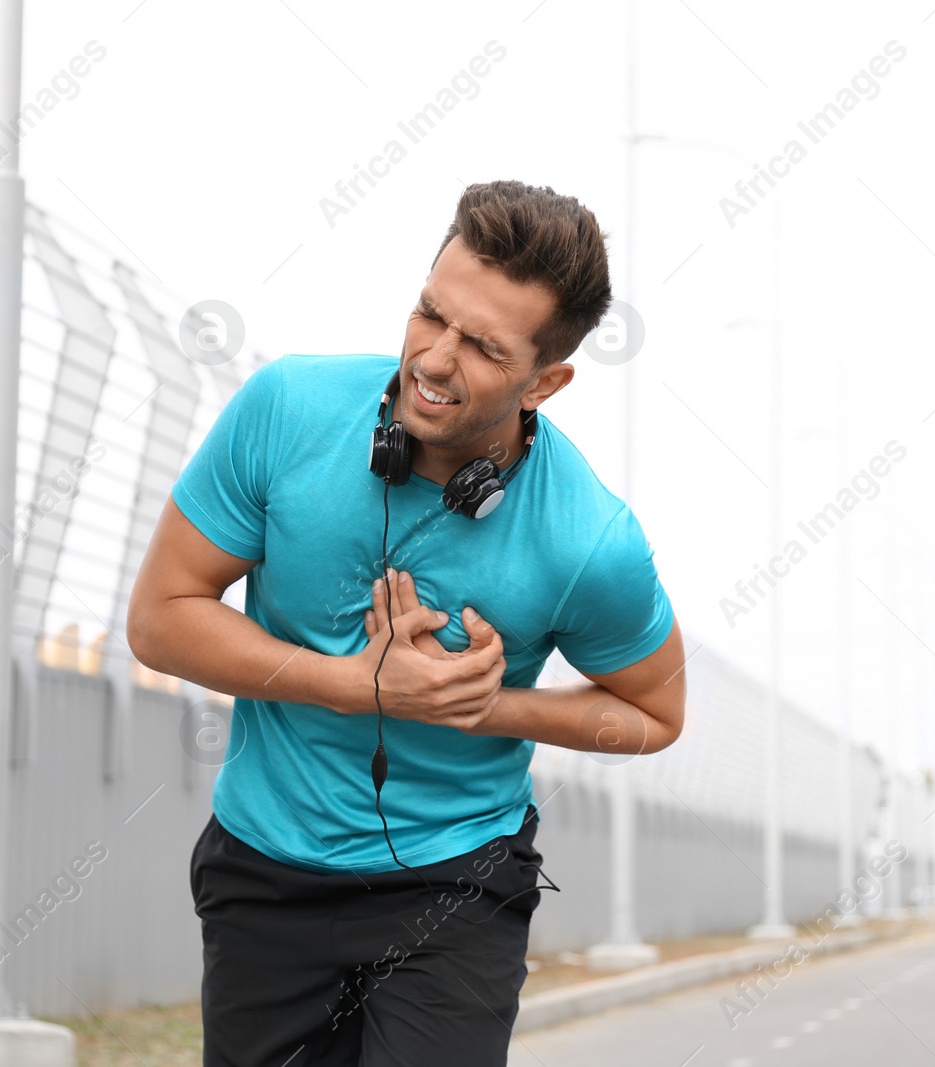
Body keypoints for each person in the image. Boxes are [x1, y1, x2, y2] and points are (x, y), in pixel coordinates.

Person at [127, 179, 686, 1066]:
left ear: (547, 381)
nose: (432, 358)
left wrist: (481, 704)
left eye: (482, 349)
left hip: (456, 882)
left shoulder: (592, 540)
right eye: (431, 314)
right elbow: (160, 619)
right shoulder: (285, 411)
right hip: (266, 865)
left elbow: (655, 715)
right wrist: (361, 684)